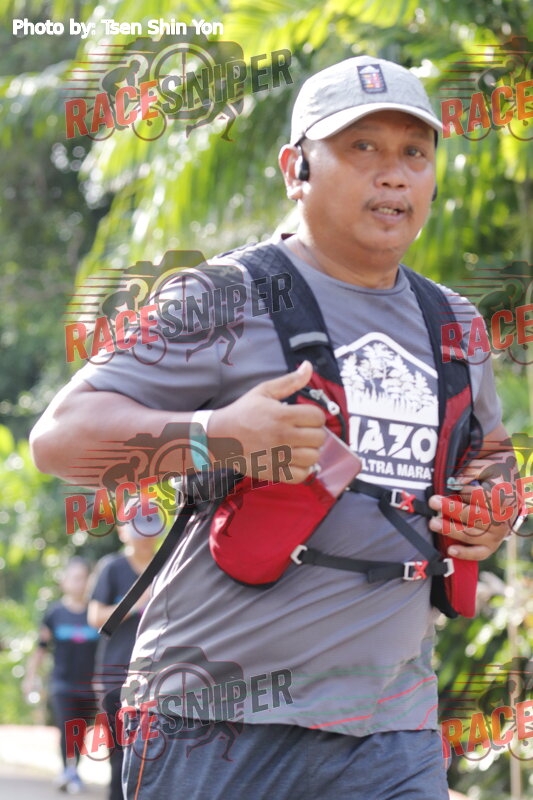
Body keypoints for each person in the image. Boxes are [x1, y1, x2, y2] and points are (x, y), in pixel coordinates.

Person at [30, 56, 521, 799]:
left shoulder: (453, 324)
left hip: (391, 731)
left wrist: (494, 507)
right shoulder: (222, 296)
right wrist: (219, 435)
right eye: (362, 148)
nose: (393, 175)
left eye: (413, 153)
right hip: (212, 725)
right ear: (296, 168)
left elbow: (490, 453)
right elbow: (60, 437)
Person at [88, 514, 160, 800]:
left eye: (150, 529)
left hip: (161, 674)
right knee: (119, 754)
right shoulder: (112, 568)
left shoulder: (169, 564)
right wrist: (139, 601)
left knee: (156, 753)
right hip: (117, 675)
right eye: (138, 530)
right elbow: (96, 617)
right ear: (122, 532)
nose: (145, 538)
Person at [23, 556, 99, 794]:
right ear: (64, 581)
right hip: (62, 684)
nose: (80, 583)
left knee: (81, 730)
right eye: (75, 578)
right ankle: (68, 770)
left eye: (84, 578)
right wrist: (30, 677)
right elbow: (40, 648)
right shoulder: (54, 613)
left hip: (90, 686)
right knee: (67, 726)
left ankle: (73, 769)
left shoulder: (97, 613)